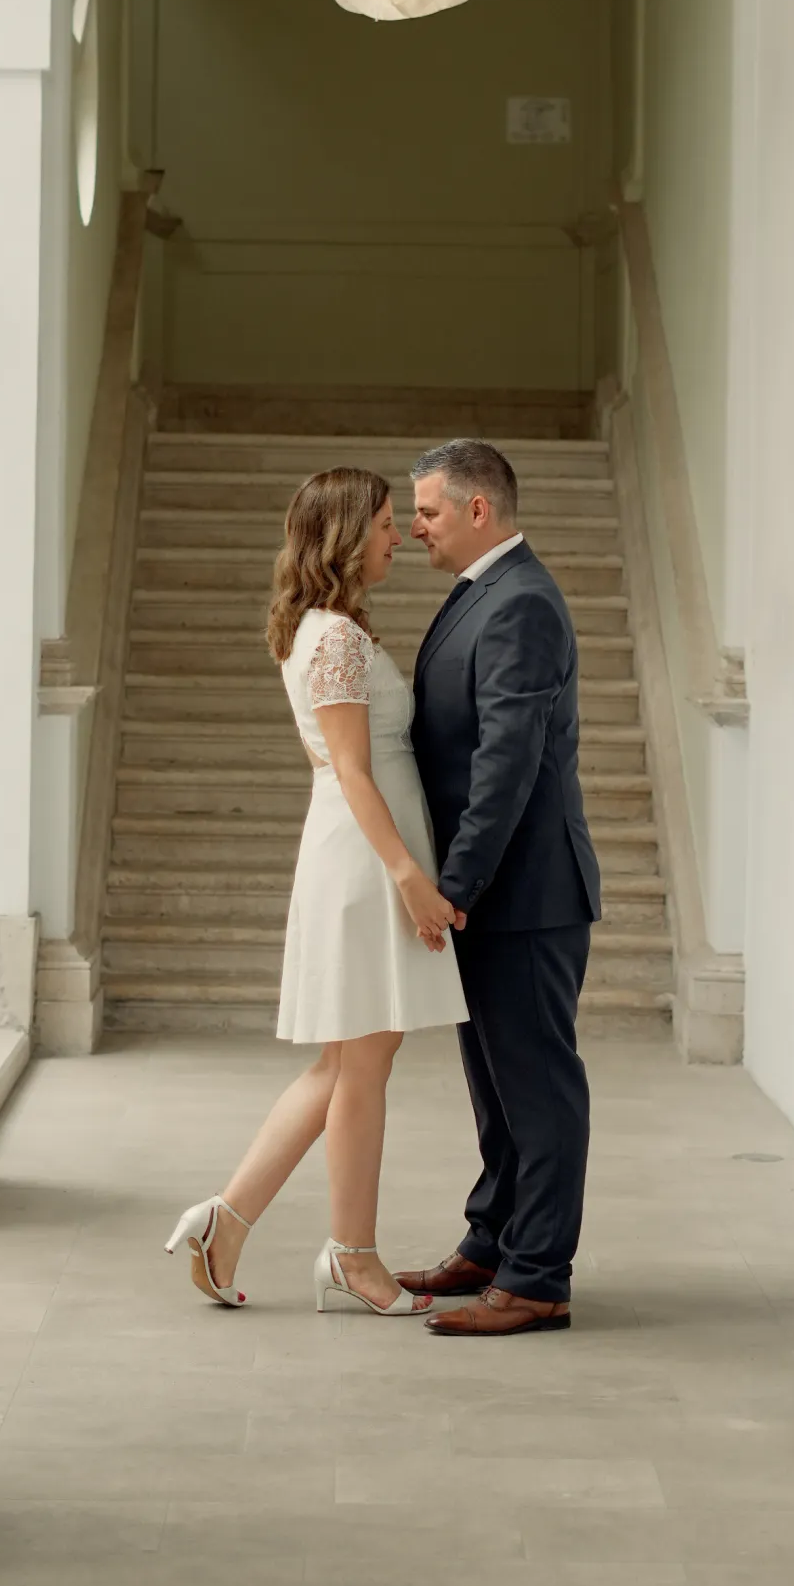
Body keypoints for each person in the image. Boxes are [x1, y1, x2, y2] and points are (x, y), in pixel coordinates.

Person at [165, 467, 466, 1316]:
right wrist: (409, 875)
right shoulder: (332, 637)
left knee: (346, 1062)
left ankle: (223, 1223)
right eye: (381, 522)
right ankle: (353, 1258)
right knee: (362, 1062)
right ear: (341, 534)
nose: (397, 535)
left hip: (363, 857)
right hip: (366, 863)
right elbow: (351, 772)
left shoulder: (332, 629)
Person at [396, 439, 600, 1335]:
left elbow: (506, 767)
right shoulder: (481, 593)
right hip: (495, 895)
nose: (415, 528)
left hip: (525, 894)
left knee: (538, 1087)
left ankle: (538, 1278)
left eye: (429, 512)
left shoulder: (521, 605)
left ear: (479, 510)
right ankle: (492, 1241)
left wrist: (457, 882)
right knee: (495, 1086)